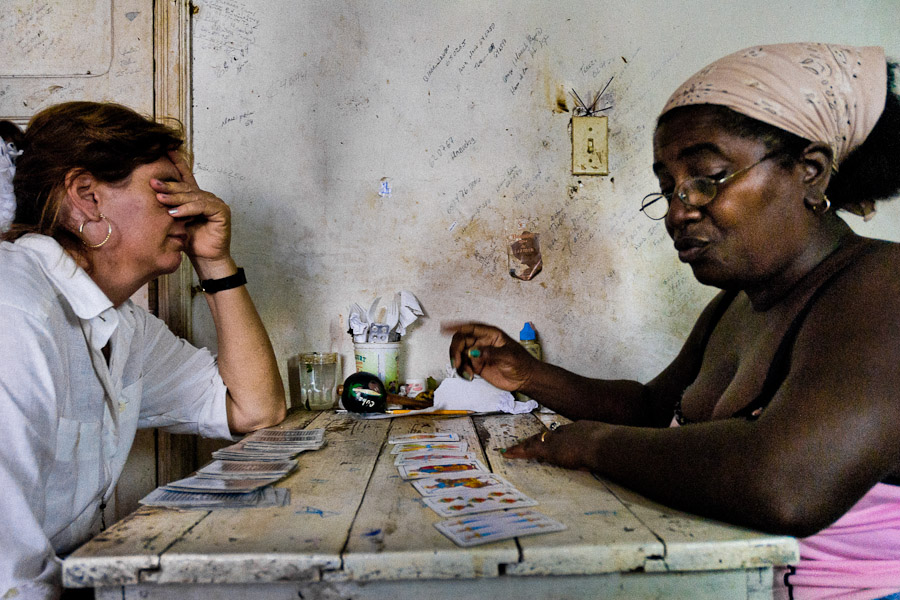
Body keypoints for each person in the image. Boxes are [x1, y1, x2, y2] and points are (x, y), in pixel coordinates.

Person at [445, 43, 900, 599]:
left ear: (810, 173)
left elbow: (787, 483)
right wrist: (528, 376)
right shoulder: (735, 305)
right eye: (668, 188)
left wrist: (591, 445)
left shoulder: (884, 288)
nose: (679, 210)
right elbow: (652, 411)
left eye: (707, 177)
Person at [0, 102, 286, 599]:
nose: (191, 206)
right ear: (86, 197)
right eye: (168, 190)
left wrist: (215, 261)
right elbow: (9, 574)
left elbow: (257, 409)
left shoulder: (122, 325)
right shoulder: (15, 313)